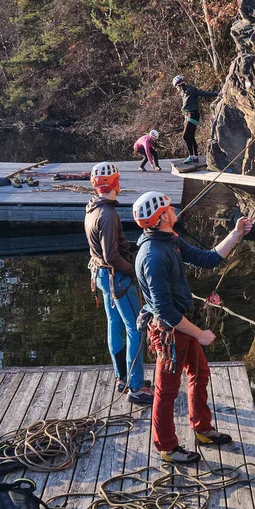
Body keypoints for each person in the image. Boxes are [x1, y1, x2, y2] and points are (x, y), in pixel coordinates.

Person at [131, 190, 253, 463]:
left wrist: (235, 234)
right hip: (170, 334)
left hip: (182, 328)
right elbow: (163, 310)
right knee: (166, 391)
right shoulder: (153, 256)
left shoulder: (169, 239)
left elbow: (207, 258)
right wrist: (200, 334)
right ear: (161, 217)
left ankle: (202, 428)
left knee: (200, 372)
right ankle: (166, 446)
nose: (174, 208)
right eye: (168, 207)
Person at [84, 162, 151, 408]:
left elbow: (106, 249)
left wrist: (130, 246)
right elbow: (111, 256)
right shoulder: (109, 214)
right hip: (117, 278)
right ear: (115, 183)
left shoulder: (92, 207)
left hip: (101, 274)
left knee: (114, 324)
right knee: (135, 329)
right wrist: (133, 270)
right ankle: (136, 386)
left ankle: (121, 378)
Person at [171, 75, 219, 161]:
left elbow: (203, 93)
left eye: (176, 87)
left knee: (185, 136)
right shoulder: (184, 92)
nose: (177, 89)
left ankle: (191, 156)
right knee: (191, 136)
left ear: (179, 85)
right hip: (189, 115)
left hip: (193, 115)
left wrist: (217, 94)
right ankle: (195, 156)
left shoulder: (191, 90)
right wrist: (185, 117)